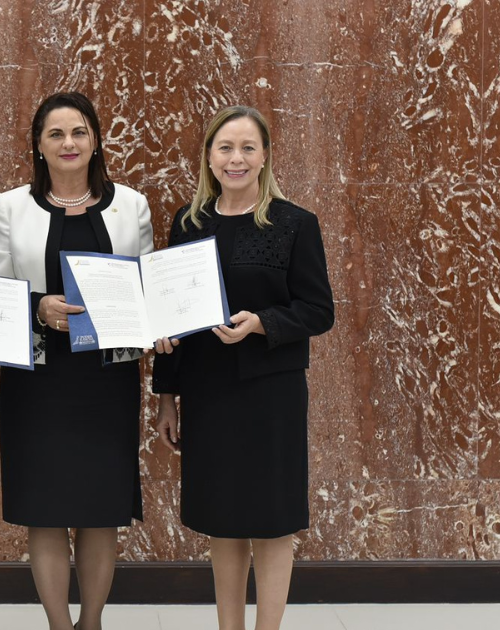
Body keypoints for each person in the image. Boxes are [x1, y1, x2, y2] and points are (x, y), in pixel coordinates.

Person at [152, 106, 334, 630]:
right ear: (209, 156)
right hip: (208, 393)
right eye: (225, 148)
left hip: (270, 395)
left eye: (247, 148)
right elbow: (172, 317)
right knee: (223, 523)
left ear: (265, 156)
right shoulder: (189, 223)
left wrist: (261, 324)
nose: (236, 158)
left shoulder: (294, 223)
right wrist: (167, 397)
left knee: (273, 524)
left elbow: (319, 310)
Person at [0, 92, 153, 630]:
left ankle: (92, 622)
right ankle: (59, 624)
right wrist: (39, 308)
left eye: (78, 132)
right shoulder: (12, 206)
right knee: (46, 510)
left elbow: (148, 286)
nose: (69, 143)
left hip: (108, 378)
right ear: (38, 145)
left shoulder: (133, 205)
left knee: (102, 511)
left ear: (96, 139)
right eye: (55, 134)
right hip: (39, 379)